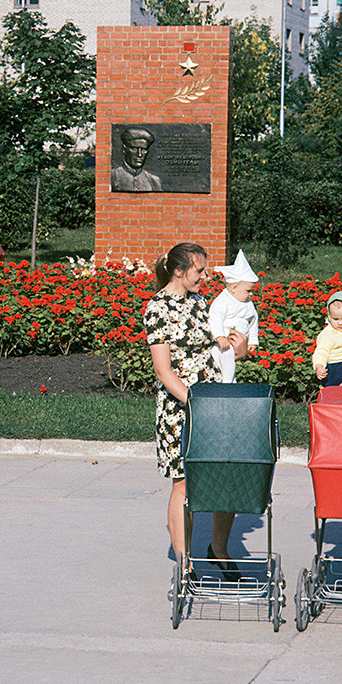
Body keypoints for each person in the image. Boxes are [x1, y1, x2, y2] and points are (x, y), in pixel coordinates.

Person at [143, 242, 248, 582]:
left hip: (215, 402)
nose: (206, 276)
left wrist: (240, 346)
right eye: (200, 271)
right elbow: (164, 370)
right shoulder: (158, 308)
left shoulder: (204, 304)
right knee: (184, 483)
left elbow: (225, 353)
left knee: (226, 476)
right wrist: (194, 402)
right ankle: (185, 560)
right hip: (181, 407)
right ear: (178, 271)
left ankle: (218, 549)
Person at [209, 249, 259, 383]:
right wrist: (220, 336)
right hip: (223, 341)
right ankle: (228, 383)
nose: (251, 294)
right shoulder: (222, 301)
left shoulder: (248, 303)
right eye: (248, 291)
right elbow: (215, 319)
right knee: (226, 355)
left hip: (237, 341)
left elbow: (253, 321)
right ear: (234, 287)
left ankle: (230, 381)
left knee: (228, 361)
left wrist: (253, 340)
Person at [110, 127, 163, 191]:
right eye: (134, 149)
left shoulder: (154, 181)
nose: (139, 154)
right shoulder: (113, 176)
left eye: (143, 149)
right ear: (124, 149)